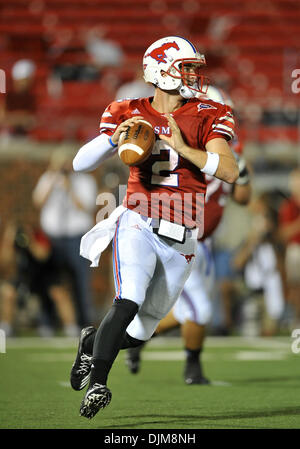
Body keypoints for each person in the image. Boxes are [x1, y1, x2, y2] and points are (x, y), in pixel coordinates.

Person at [70, 35, 239, 419]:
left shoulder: (210, 112)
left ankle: (91, 342)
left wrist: (184, 148)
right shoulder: (128, 110)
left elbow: (228, 170)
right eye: (187, 66)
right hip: (138, 220)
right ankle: (99, 383)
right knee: (128, 299)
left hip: (183, 234)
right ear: (160, 70)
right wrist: (113, 138)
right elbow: (81, 163)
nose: (194, 74)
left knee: (142, 330)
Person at [125, 86, 252, 384]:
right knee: (199, 308)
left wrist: (241, 170)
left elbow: (244, 195)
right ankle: (186, 365)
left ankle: (138, 338)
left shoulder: (227, 148)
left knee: (185, 309)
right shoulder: (179, 142)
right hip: (177, 234)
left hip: (203, 241)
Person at [32, 149, 98, 329]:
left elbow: (86, 207)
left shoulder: (85, 180)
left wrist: (69, 188)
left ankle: (84, 323)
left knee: (80, 282)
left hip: (77, 238)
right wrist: (53, 180)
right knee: (50, 282)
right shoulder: (48, 178)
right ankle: (48, 323)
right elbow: (38, 202)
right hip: (52, 238)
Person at [0, 222, 78, 337]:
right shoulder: (13, 240)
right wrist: (9, 239)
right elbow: (4, 262)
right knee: (7, 292)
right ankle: (6, 329)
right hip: (26, 278)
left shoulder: (39, 235)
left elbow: (42, 255)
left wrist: (30, 239)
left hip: (45, 277)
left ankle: (71, 328)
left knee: (60, 293)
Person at [233, 194, 285, 335]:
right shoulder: (249, 238)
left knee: (271, 328)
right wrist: (254, 239)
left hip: (271, 289)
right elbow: (238, 262)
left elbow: (280, 266)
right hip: (253, 291)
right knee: (251, 331)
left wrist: (271, 237)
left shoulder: (275, 240)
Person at [278, 168, 300, 327]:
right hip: (295, 249)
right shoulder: (289, 206)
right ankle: (296, 319)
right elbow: (283, 233)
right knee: (295, 287)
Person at [0, 59, 37, 138]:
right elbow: (2, 118)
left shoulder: (32, 96)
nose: (24, 84)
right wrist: (22, 119)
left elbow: (37, 119)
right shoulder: (6, 94)